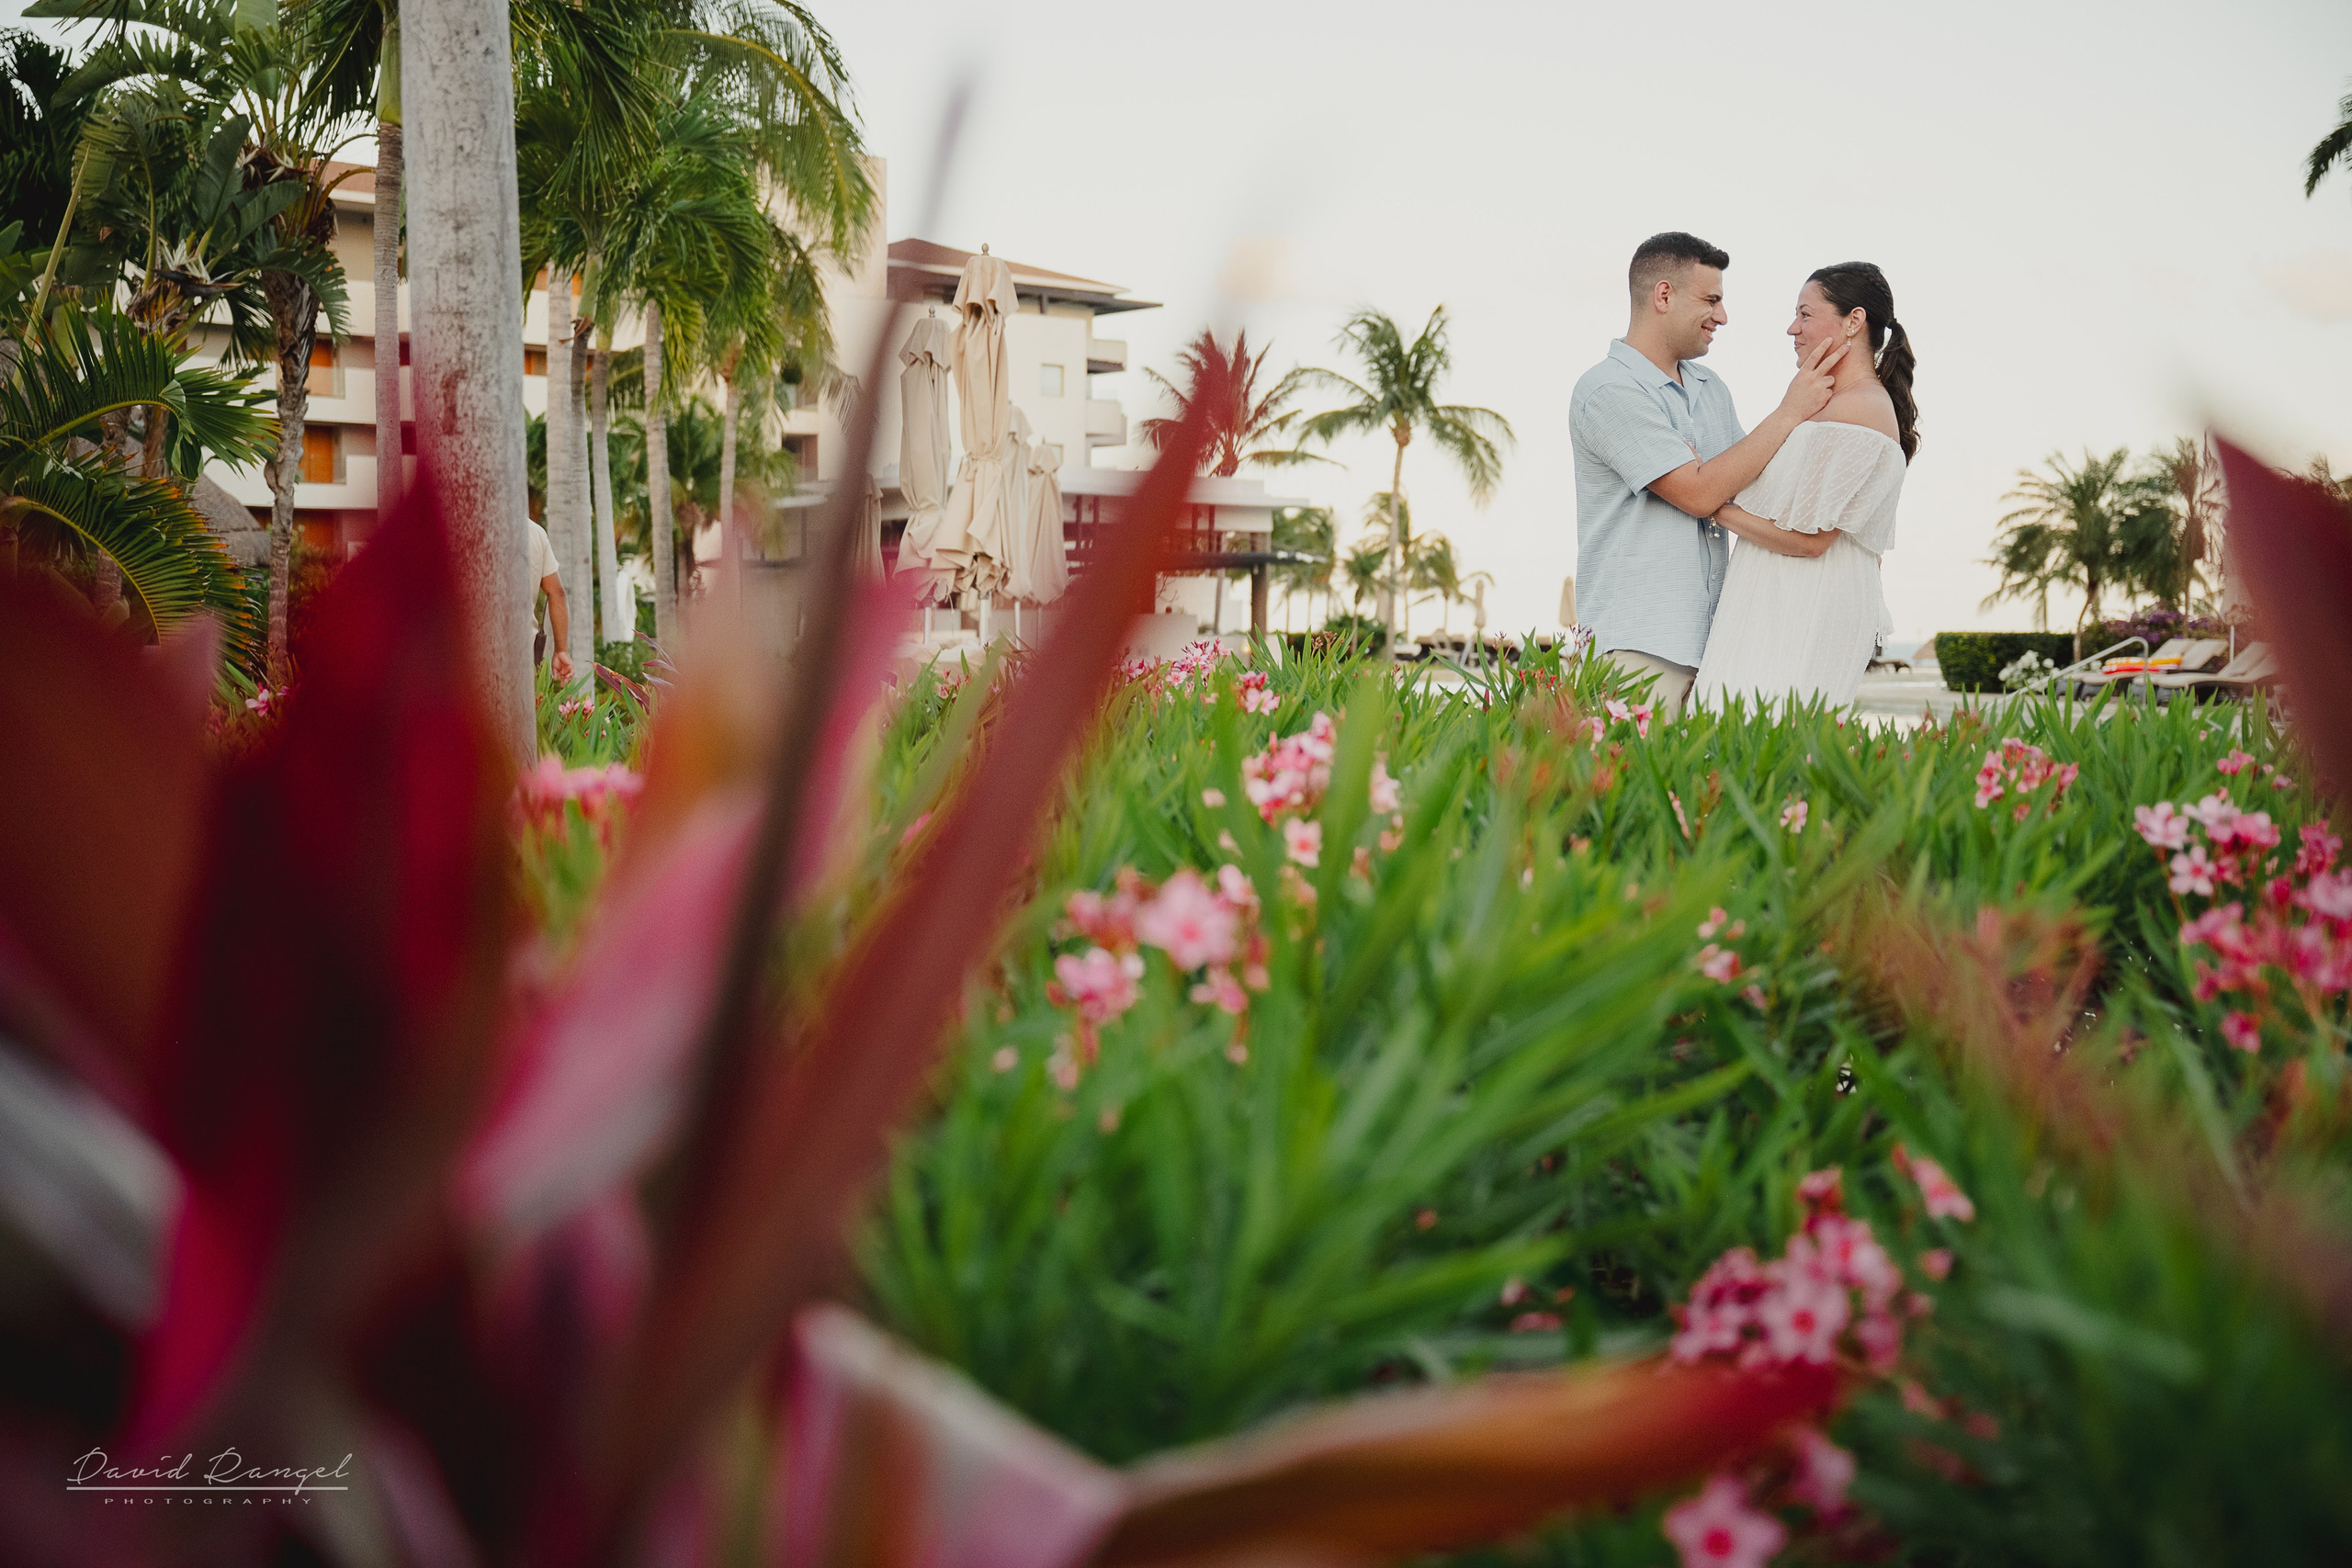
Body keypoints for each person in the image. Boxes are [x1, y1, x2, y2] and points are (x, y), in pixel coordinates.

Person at [1570, 232, 1847, 717]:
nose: (1723, 316)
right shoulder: (1607, 390)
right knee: (1629, 789)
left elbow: (1749, 483)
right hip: (1639, 647)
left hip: (1719, 647)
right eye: (1712, 300)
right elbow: (1698, 493)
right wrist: (1788, 413)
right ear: (1663, 296)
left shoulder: (1709, 387)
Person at [1690, 263, 1917, 710]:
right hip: (1781, 596)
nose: (1793, 328)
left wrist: (1712, 504)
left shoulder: (1859, 410)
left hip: (1802, 603)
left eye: (1806, 314)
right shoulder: (1829, 404)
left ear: (1854, 320)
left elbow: (1812, 541)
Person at [527, 519, 573, 683]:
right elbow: (556, 593)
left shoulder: (466, 522)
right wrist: (561, 651)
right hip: (526, 655)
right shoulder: (535, 532)